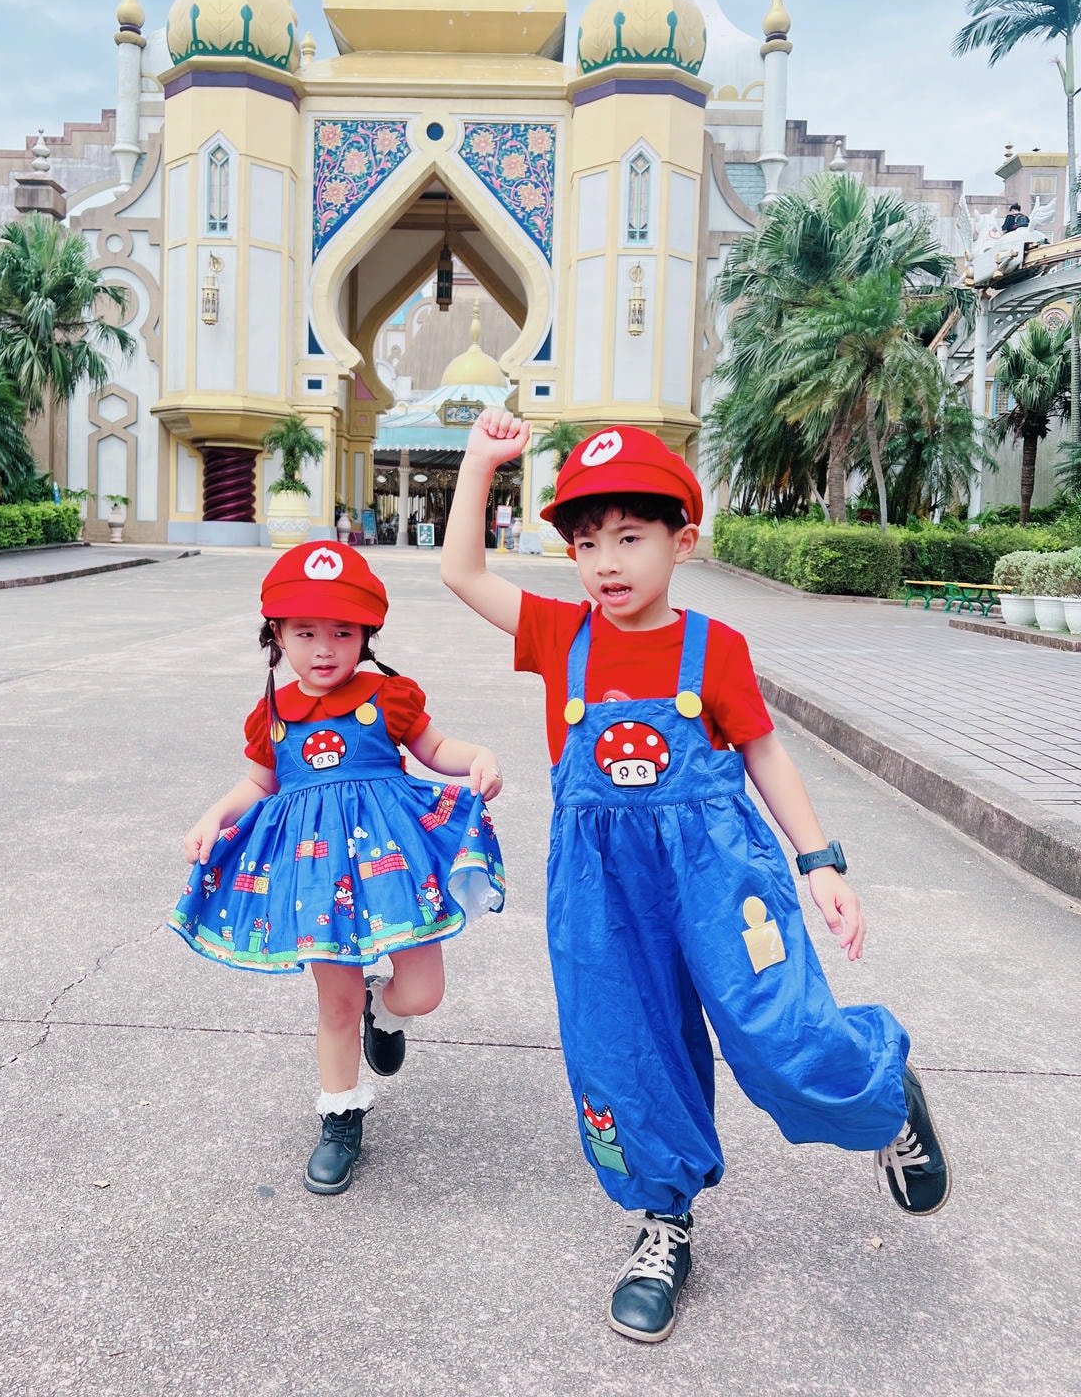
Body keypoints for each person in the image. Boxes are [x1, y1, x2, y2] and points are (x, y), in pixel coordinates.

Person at [441, 413, 951, 1345]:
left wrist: (820, 861)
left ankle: (884, 1097)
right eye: (588, 542)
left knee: (775, 1026)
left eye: (629, 539)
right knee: (623, 1048)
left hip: (719, 875)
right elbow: (463, 574)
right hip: (600, 891)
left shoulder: (714, 648)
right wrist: (480, 462)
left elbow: (762, 750)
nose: (606, 562)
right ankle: (663, 1221)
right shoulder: (560, 633)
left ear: (682, 541)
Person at [172, 541, 506, 1196]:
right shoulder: (271, 716)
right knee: (335, 1003)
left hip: (396, 869)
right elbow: (259, 784)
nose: (324, 648)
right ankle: (341, 1118)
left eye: (342, 633)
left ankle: (386, 1012)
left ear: (366, 635)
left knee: (422, 992)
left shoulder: (388, 697)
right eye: (305, 633)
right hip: (317, 876)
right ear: (276, 635)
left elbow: (436, 748)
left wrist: (478, 757)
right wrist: (216, 815)